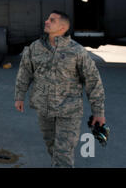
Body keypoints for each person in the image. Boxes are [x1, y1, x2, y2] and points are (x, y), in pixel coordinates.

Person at [14, 11, 106, 168]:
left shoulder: (77, 51)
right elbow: (24, 73)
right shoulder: (35, 48)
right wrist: (19, 96)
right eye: (47, 19)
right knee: (53, 148)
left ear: (63, 27)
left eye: (52, 20)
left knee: (63, 153)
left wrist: (98, 112)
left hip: (69, 112)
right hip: (44, 109)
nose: (46, 21)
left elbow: (93, 80)